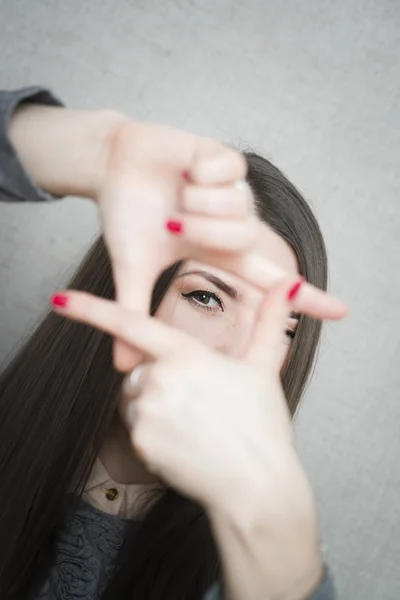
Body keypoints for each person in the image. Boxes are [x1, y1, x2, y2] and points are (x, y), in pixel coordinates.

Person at [0, 87, 345, 600]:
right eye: (206, 297)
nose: (236, 354)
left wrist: (281, 556)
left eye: (280, 328)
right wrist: (96, 149)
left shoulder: (252, 568)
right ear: (126, 287)